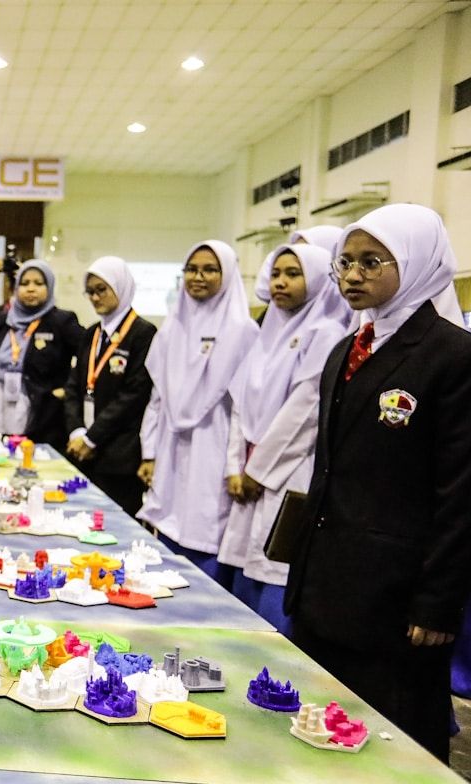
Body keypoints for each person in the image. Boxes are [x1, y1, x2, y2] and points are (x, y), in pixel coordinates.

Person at [285, 204, 471, 762]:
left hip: (396, 599)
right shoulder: (346, 350)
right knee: (318, 734)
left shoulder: (453, 355)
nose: (352, 275)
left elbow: (460, 494)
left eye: (371, 262)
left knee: (394, 746)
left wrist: (437, 603)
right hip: (327, 584)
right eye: (345, 262)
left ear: (415, 264)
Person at [219, 243, 348, 633]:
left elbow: (305, 410)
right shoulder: (268, 330)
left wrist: (258, 471)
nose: (280, 282)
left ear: (317, 278)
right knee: (243, 580)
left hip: (288, 470)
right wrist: (234, 466)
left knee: (275, 573)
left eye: (293, 274)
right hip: (248, 469)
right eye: (275, 273)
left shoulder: (326, 332)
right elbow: (240, 400)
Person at [137, 240, 257, 583]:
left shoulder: (243, 331)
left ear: (227, 274)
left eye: (209, 269)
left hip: (214, 443)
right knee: (168, 525)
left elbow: (243, 407)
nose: (198, 277)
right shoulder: (172, 328)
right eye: (191, 269)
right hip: (171, 444)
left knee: (206, 527)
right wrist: (149, 452)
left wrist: (234, 465)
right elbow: (157, 397)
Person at [64, 256, 156, 517]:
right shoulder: (91, 334)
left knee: (116, 527)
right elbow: (73, 387)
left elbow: (134, 395)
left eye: (101, 290)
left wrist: (92, 438)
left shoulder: (143, 334)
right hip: (82, 450)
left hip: (119, 454)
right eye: (90, 292)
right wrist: (76, 432)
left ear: (120, 286)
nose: (95, 297)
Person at [0, 259, 84, 446]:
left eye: (38, 283)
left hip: (43, 418)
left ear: (49, 287)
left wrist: (67, 389)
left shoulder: (61, 321)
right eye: (24, 283)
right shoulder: (2, 320)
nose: (31, 289)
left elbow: (89, 355)